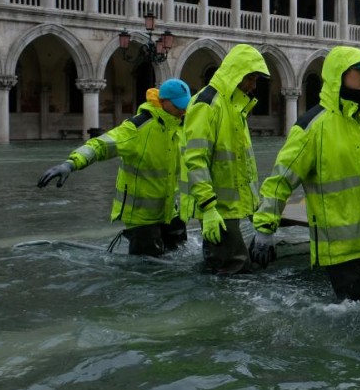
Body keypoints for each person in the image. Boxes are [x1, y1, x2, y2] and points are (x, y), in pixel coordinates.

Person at [250, 46, 360, 301]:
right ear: (339, 74)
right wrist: (264, 229)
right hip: (340, 246)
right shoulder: (312, 127)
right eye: (359, 71)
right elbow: (280, 180)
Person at [37, 79, 192, 257]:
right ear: (164, 102)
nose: (183, 110)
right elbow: (100, 145)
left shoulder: (180, 126)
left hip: (169, 209)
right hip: (141, 216)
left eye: (185, 105)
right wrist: (70, 164)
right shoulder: (137, 128)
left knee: (181, 254)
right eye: (179, 105)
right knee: (148, 270)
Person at [179, 44, 270, 275]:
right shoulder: (207, 104)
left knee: (236, 269)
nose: (253, 85)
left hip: (233, 207)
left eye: (256, 79)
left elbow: (242, 163)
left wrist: (254, 208)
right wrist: (208, 208)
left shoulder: (235, 106)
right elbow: (195, 159)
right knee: (233, 271)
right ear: (236, 72)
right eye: (250, 78)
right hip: (218, 209)